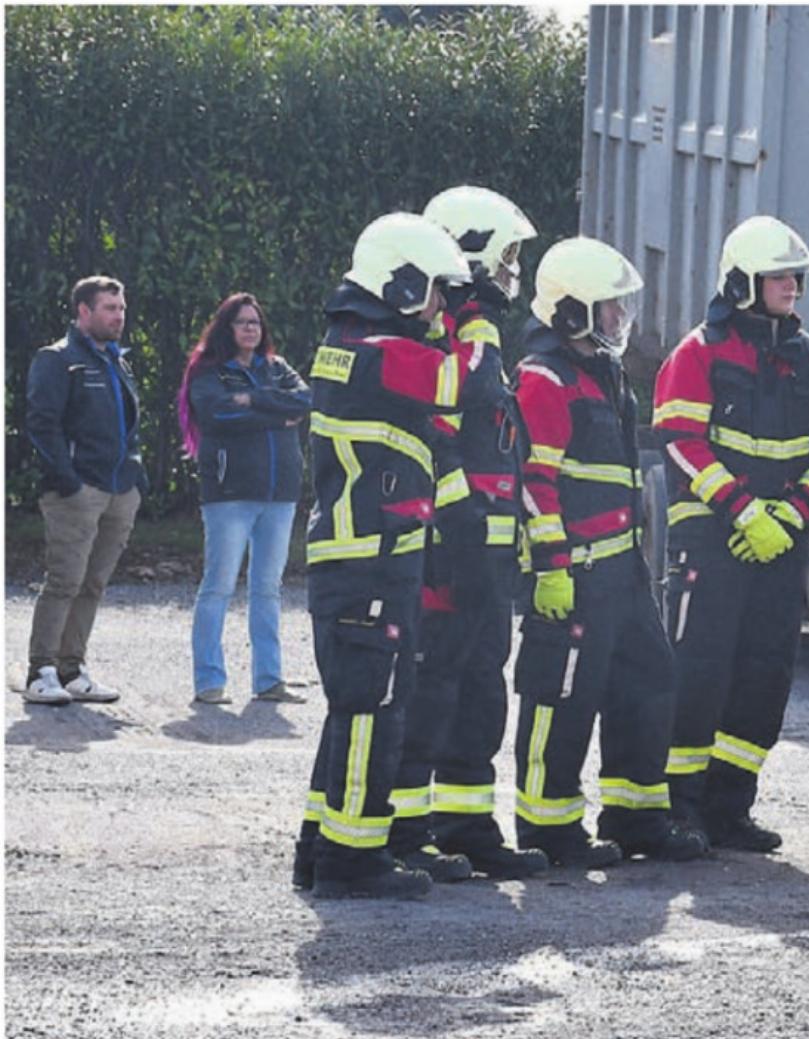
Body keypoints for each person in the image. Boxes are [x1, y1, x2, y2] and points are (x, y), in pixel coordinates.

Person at [653, 215, 809, 852]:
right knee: (699, 672)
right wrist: (742, 511)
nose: (792, 285)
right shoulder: (699, 352)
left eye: (796, 276)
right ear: (742, 281)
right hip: (711, 539)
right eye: (778, 276)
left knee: (766, 674)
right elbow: (679, 440)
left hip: (782, 541)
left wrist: (789, 516)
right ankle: (678, 809)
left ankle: (730, 808)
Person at [292, 213, 474, 900]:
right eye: (434, 291)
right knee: (373, 711)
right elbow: (467, 383)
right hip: (371, 560)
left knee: (353, 709)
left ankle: (321, 846)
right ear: (398, 283)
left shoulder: (352, 345)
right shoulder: (381, 354)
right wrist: (475, 327)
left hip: (363, 555)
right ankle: (352, 859)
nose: (439, 307)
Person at [513, 236, 708, 866]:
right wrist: (552, 568)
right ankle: (549, 828)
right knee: (563, 695)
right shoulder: (544, 378)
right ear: (571, 311)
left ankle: (636, 816)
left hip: (623, 570)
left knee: (649, 682)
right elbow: (535, 482)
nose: (621, 318)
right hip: (575, 571)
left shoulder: (604, 374)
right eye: (609, 307)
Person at [384, 186, 549, 882]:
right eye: (506, 256)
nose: (513, 271)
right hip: (452, 547)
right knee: (432, 690)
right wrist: (458, 532)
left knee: (481, 690)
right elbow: (438, 431)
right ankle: (405, 831)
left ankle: (468, 826)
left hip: (488, 550)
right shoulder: (444, 330)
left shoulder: (479, 329)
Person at [179, 293, 311, 706]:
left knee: (268, 588)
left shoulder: (276, 367)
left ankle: (269, 680)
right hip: (230, 494)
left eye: (255, 322)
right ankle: (209, 681)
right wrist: (274, 412)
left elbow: (305, 400)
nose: (251, 328)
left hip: (280, 493)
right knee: (218, 586)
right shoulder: (208, 372)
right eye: (242, 322)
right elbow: (218, 415)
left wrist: (252, 399)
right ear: (227, 327)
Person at [23, 275, 147, 705]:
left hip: (120, 490)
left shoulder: (118, 361)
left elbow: (129, 426)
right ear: (83, 311)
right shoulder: (57, 359)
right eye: (110, 308)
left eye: (122, 308)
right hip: (76, 491)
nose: (119, 316)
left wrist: (136, 480)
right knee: (64, 581)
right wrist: (69, 482)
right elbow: (42, 425)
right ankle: (40, 672)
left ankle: (71, 670)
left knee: (93, 584)